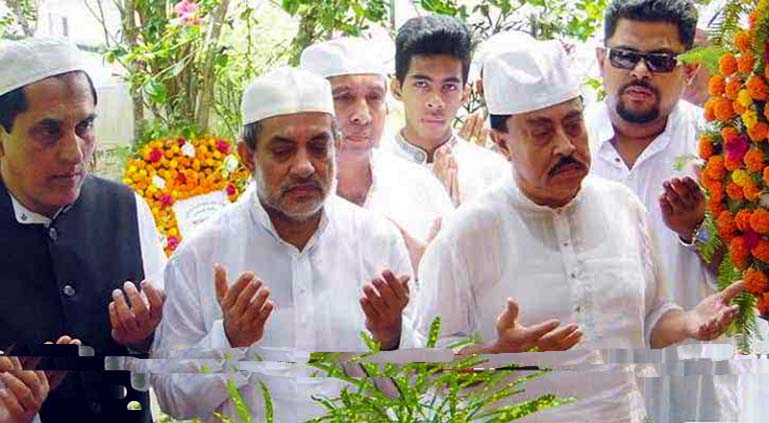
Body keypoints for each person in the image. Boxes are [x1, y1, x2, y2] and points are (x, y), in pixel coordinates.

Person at [415, 36, 742, 422]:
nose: (566, 145)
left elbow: (649, 320)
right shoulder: (465, 235)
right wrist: (495, 356)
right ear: (501, 143)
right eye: (541, 132)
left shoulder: (623, 207)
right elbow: (427, 370)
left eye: (573, 124)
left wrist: (687, 323)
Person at [151, 67, 414, 422]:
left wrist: (391, 339)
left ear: (336, 146)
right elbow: (173, 400)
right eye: (283, 151)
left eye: (319, 147)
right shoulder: (200, 255)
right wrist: (229, 341)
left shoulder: (377, 241)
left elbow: (416, 390)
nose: (305, 167)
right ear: (248, 157)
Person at [585, 1, 764, 420]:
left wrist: (699, 230)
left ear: (688, 72)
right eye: (625, 56)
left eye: (660, 60)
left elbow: (753, 284)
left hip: (695, 390)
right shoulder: (568, 149)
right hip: (591, 389)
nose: (640, 72)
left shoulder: (726, 151)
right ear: (601, 59)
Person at [0, 38, 166, 422]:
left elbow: (166, 363)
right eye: (49, 131)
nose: (74, 152)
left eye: (85, 126)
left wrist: (141, 337)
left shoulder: (126, 208)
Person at [300, 37, 454, 271]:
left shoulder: (422, 188)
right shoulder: (290, 193)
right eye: (343, 97)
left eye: (374, 98)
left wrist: (429, 269)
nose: (362, 115)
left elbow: (460, 284)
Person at [388, 15, 510, 206]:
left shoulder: (494, 173)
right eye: (421, 84)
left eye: (449, 87)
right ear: (396, 89)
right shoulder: (372, 169)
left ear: (464, 94)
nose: (436, 102)